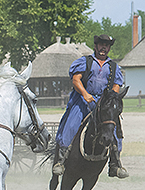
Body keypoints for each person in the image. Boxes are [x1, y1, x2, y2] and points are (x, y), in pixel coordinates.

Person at [53, 34, 128, 178]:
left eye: (106, 45)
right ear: (96, 46)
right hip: (84, 100)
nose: (103, 48)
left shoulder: (113, 66)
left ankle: (115, 164)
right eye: (101, 44)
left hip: (104, 103)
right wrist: (85, 94)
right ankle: (61, 161)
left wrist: (111, 98)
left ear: (109, 48)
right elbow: (76, 80)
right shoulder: (85, 62)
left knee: (115, 128)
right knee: (72, 124)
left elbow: (117, 85)